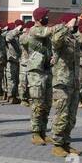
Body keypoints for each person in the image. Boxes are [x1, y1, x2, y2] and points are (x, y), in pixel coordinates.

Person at [46, 15, 82, 155]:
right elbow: (55, 42)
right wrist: (66, 27)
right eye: (74, 22)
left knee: (71, 116)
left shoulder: (72, 38)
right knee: (62, 113)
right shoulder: (59, 36)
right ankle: (57, 145)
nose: (75, 25)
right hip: (62, 82)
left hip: (73, 81)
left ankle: (66, 142)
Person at [24, 8, 54, 141]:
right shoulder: (35, 30)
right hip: (36, 72)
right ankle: (35, 132)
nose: (47, 18)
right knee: (37, 103)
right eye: (46, 16)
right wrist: (66, 25)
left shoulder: (44, 33)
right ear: (39, 19)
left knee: (47, 103)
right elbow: (49, 31)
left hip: (46, 69)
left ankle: (43, 131)